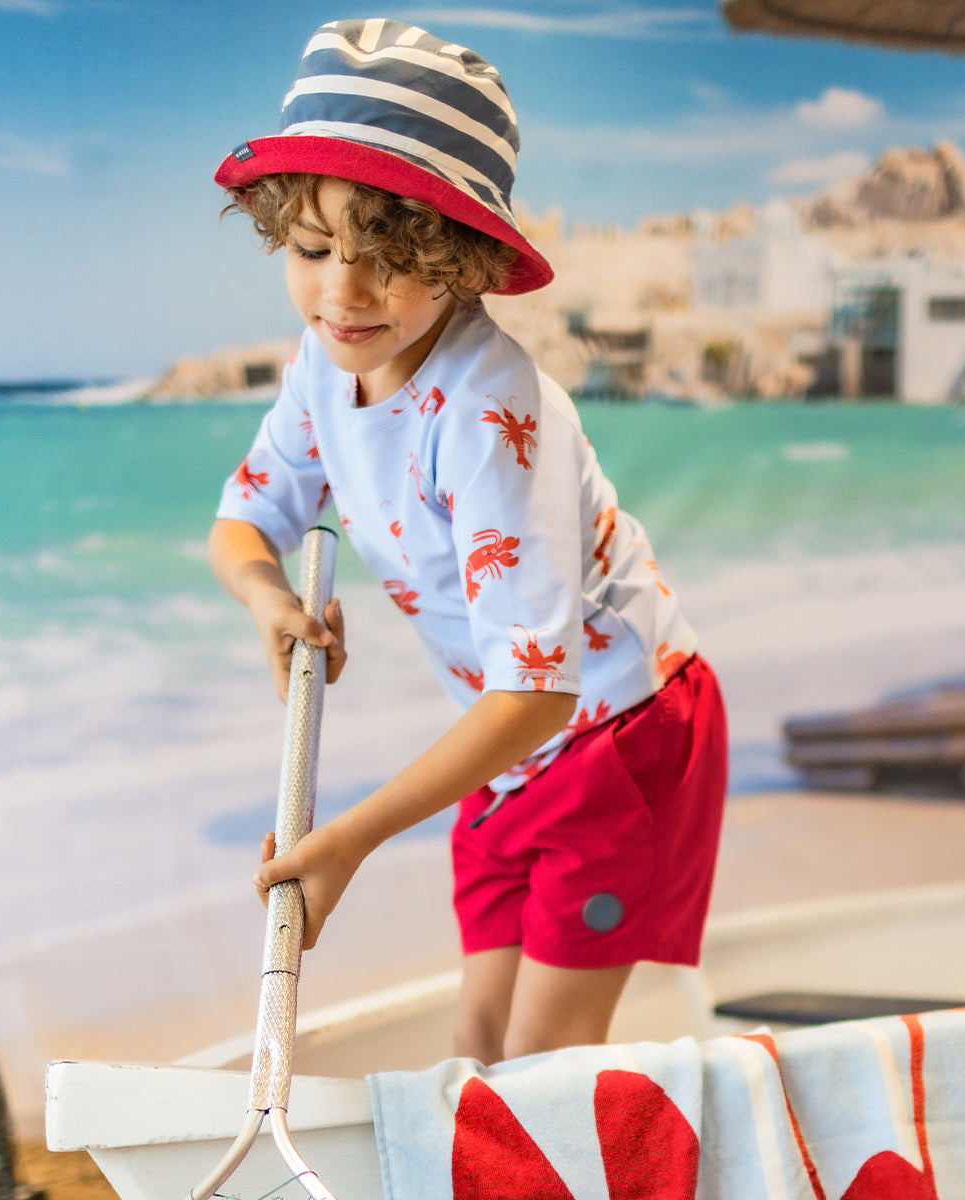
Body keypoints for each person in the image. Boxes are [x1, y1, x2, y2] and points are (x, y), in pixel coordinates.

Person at [209, 16, 727, 1065]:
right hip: (509, 748)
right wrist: (271, 602)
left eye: (386, 260)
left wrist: (347, 840)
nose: (342, 294)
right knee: (479, 1040)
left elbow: (541, 686)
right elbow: (243, 523)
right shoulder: (324, 366)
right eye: (312, 251)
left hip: (615, 727)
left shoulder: (491, 418)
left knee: (542, 1061)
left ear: (462, 259)